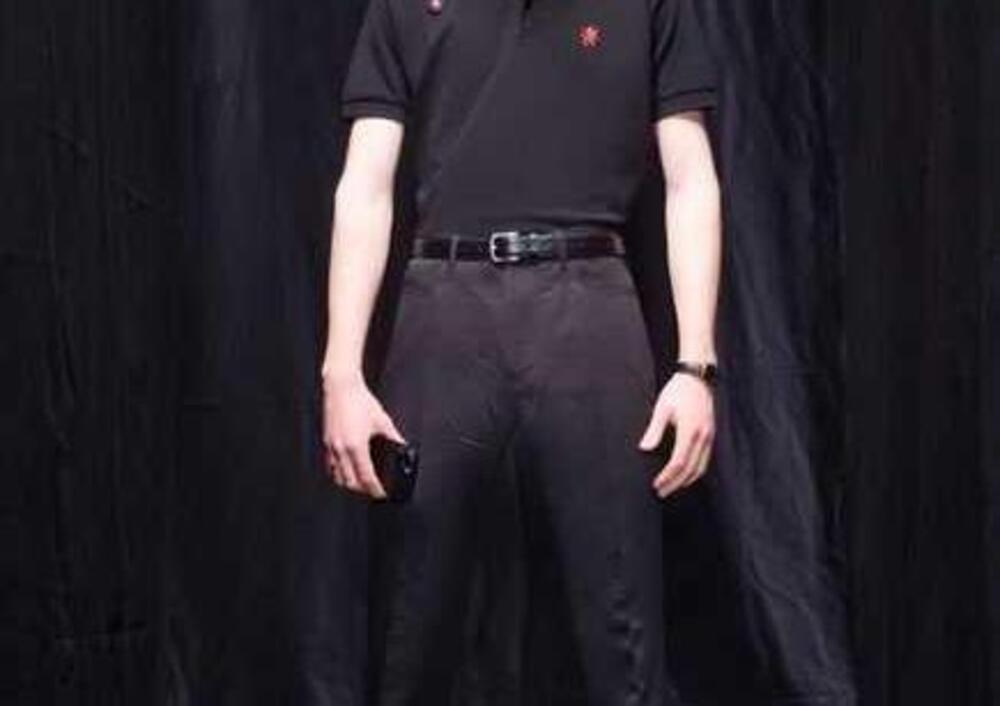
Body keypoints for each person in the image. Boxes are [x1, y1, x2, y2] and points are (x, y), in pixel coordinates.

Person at [321, 0, 722, 702]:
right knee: (410, 622)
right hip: (445, 311)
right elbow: (365, 187)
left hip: (590, 311)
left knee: (621, 626)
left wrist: (695, 366)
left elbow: (691, 182)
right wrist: (342, 373)